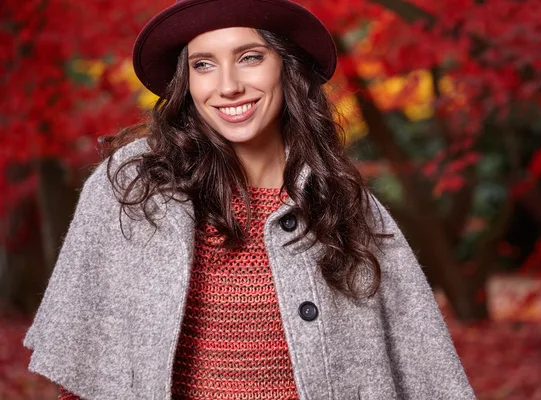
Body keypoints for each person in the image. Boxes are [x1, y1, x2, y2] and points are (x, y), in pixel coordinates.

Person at [23, 0, 475, 399]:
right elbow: (83, 370)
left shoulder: (341, 201)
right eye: (203, 65)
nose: (228, 85)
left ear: (287, 66)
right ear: (186, 81)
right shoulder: (133, 189)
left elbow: (422, 362)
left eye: (250, 57)